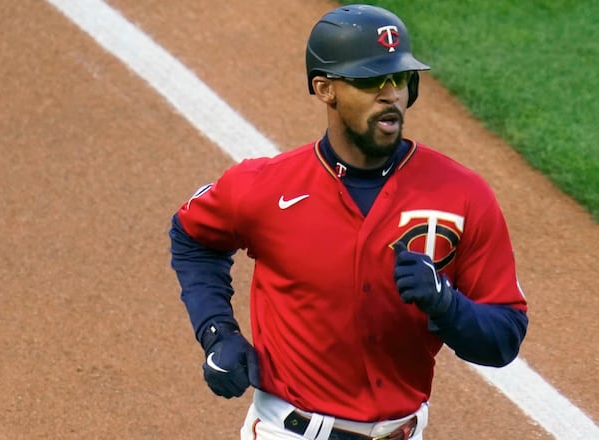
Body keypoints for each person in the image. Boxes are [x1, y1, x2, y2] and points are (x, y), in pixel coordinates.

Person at [169, 4, 529, 439]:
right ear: (325, 89)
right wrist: (216, 333)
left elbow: (504, 338)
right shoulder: (265, 187)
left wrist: (447, 304)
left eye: (399, 79)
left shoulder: (461, 195)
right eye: (370, 81)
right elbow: (192, 237)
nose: (390, 94)